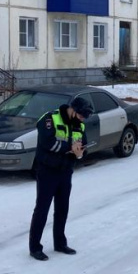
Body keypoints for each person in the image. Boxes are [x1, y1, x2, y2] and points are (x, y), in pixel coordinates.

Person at [28, 96, 94, 261]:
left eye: (84, 116)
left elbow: (82, 146)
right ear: (72, 109)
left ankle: (60, 243)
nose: (82, 118)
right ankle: (35, 247)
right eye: (80, 115)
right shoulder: (50, 118)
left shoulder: (80, 124)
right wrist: (69, 148)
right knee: (42, 210)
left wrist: (80, 153)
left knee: (62, 209)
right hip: (47, 171)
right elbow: (47, 142)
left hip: (66, 171)